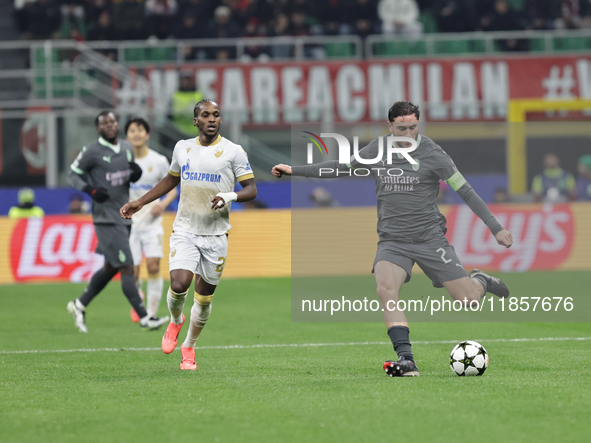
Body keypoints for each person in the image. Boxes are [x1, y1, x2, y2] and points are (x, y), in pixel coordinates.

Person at [272, 101, 513, 377]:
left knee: (468, 299)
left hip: (430, 239)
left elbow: (466, 191)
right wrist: (296, 170)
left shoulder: (434, 154)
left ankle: (481, 280)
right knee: (385, 289)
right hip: (393, 241)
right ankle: (406, 359)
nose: (408, 134)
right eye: (401, 128)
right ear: (390, 127)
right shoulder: (377, 150)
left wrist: (495, 228)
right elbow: (341, 168)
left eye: (413, 127)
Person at [121, 99, 257, 370]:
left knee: (204, 299)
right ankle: (175, 321)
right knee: (180, 284)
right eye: (205, 115)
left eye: (216, 115)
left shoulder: (233, 151)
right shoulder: (182, 148)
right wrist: (140, 202)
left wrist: (229, 196)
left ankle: (189, 346)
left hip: (216, 235)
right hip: (185, 230)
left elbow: (251, 189)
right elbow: (171, 179)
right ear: (195, 121)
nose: (212, 119)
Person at [66, 110, 168, 333]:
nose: (110, 125)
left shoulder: (125, 147)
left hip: (124, 215)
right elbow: (72, 175)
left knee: (110, 267)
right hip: (105, 218)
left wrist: (135, 173)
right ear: (98, 128)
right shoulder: (92, 151)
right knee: (127, 268)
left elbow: (130, 174)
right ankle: (145, 318)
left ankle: (79, 305)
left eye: (112, 121)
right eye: (105, 123)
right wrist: (91, 190)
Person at [125, 117, 178, 323]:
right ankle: (138, 298)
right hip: (129, 224)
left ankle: (152, 313)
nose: (136, 134)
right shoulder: (122, 162)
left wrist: (162, 205)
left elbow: (173, 189)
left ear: (147, 135)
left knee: (154, 266)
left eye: (140, 130)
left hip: (152, 223)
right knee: (133, 272)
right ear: (127, 136)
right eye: (132, 131)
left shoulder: (158, 161)